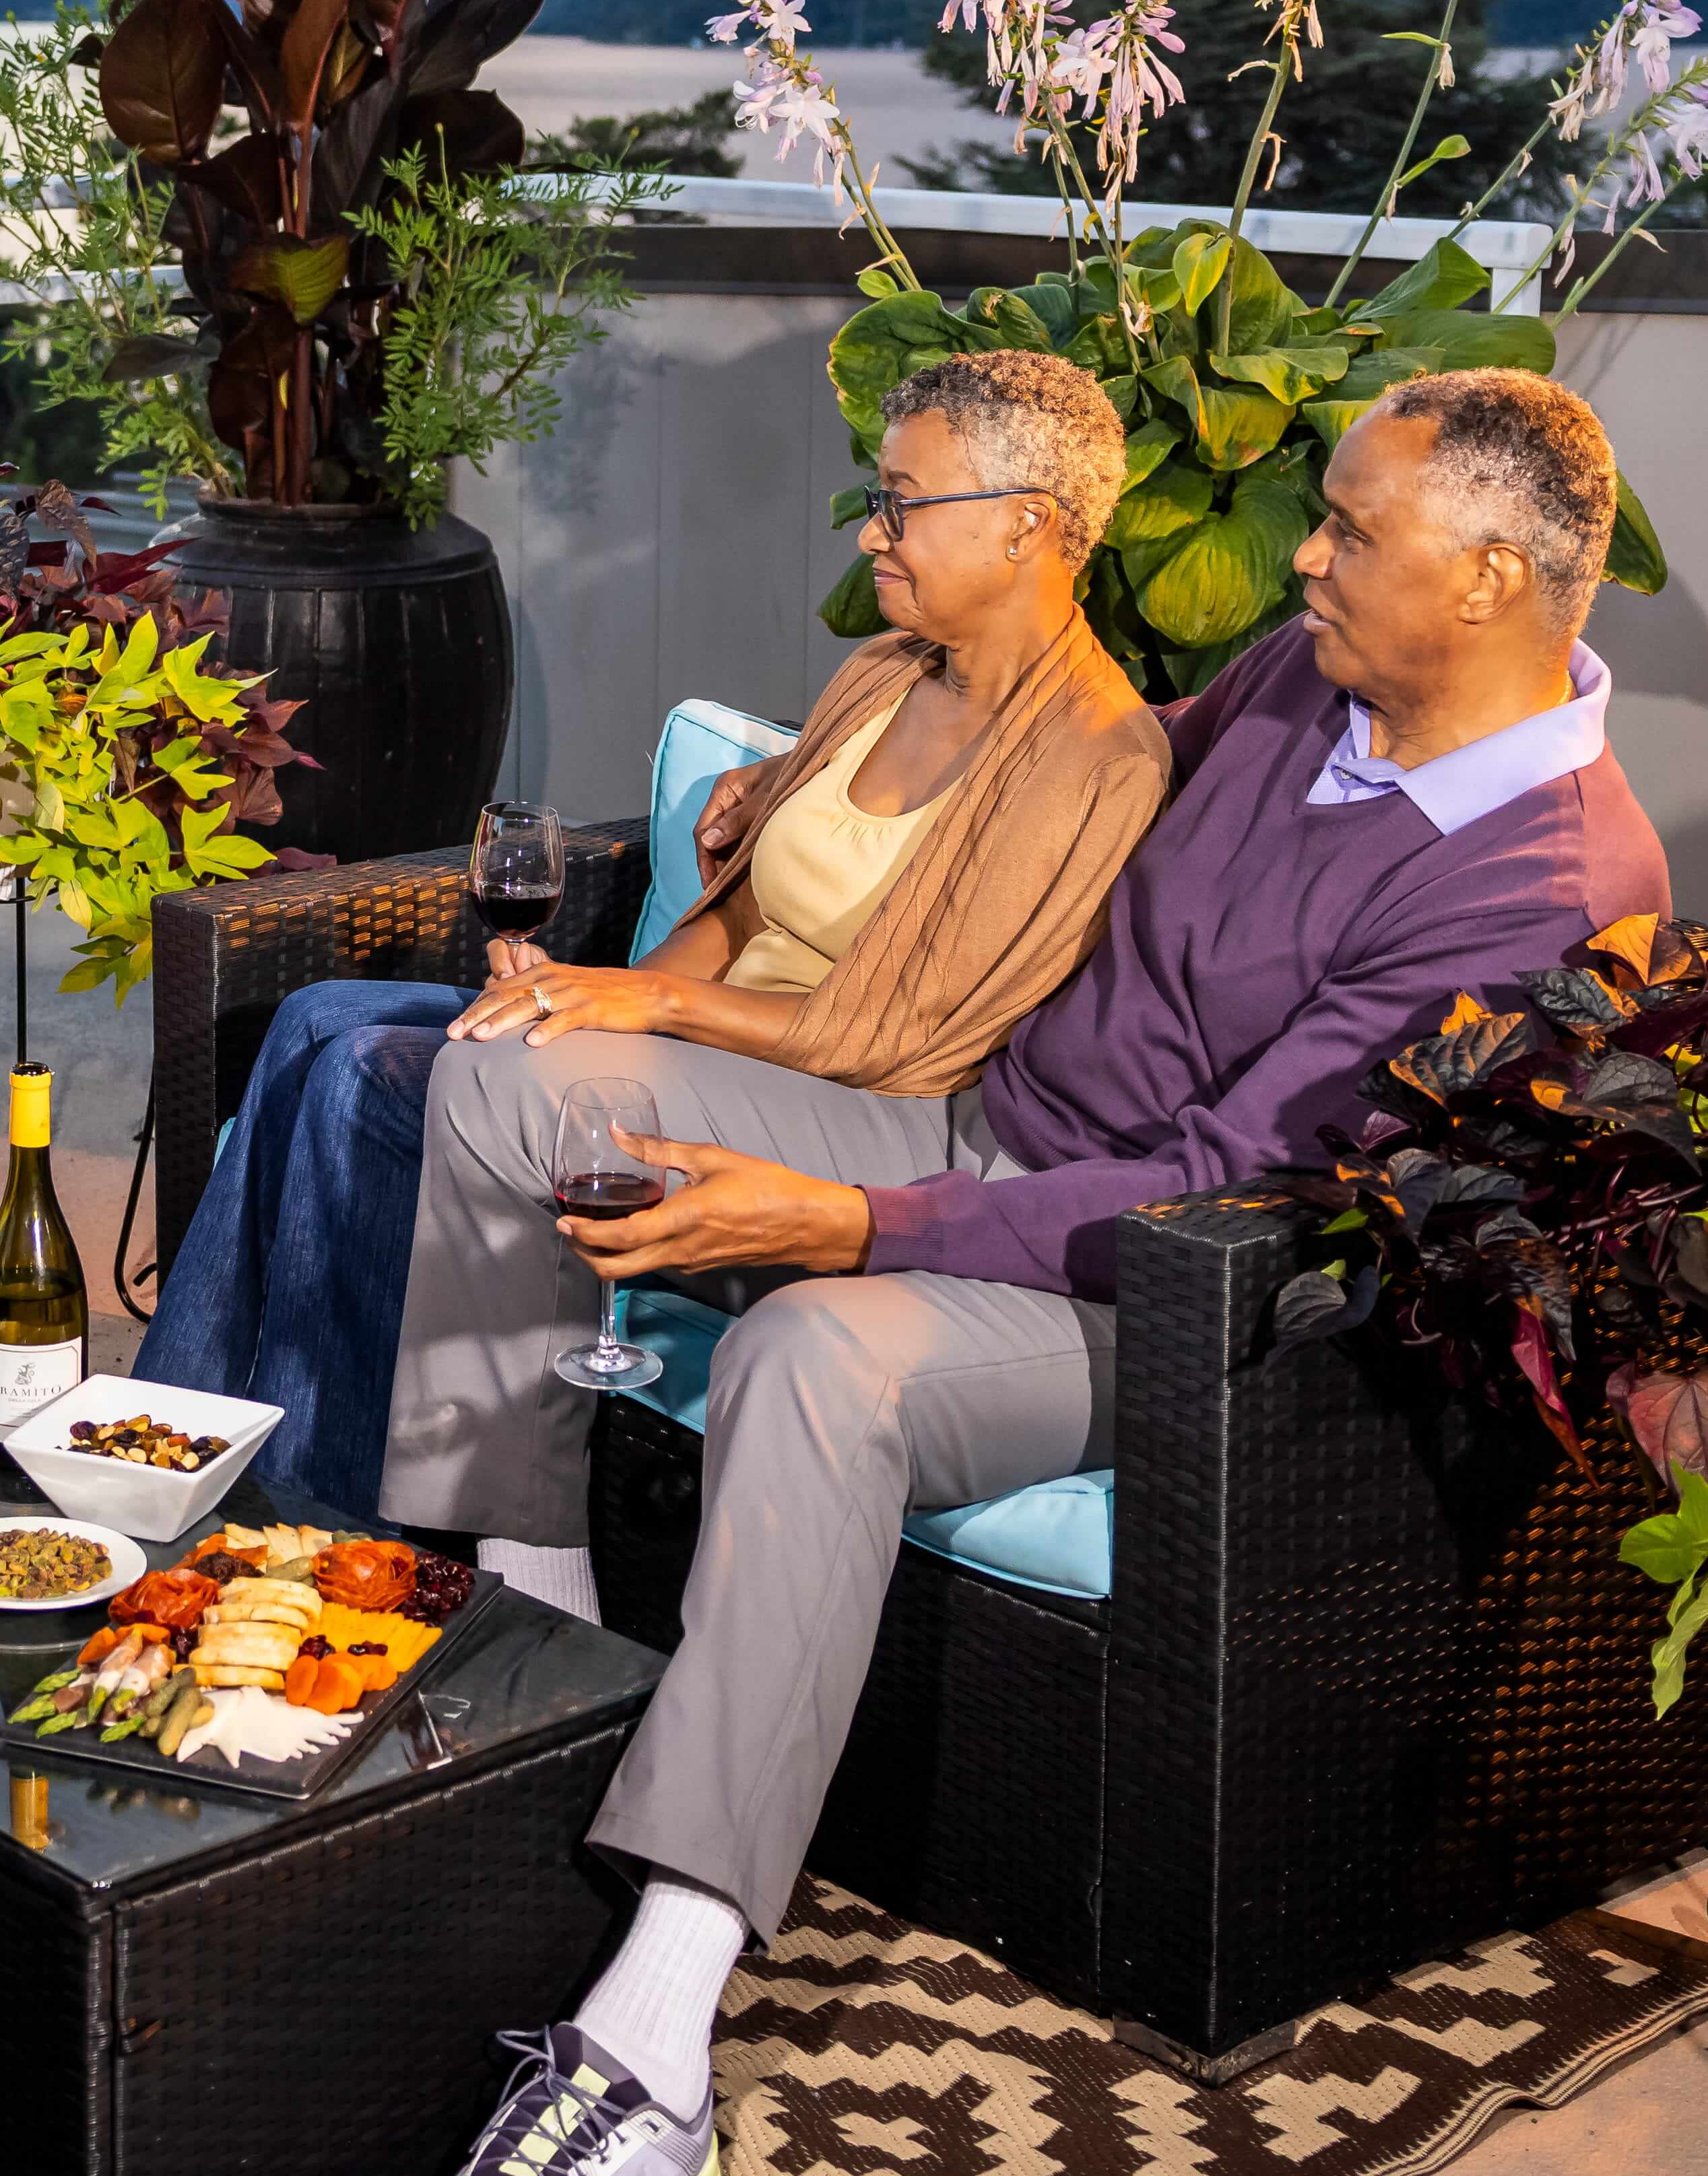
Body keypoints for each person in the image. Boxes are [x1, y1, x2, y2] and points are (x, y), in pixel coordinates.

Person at [342, 369, 1672, 2176]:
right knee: (515, 1078)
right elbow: (1071, 772)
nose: (1301, 552)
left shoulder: (1545, 887)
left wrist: (845, 1226)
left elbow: (1228, 1195)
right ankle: (522, 1629)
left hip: (1155, 1294)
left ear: (1491, 578)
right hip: (973, 1129)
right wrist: (789, 792)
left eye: (1350, 529)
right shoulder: (1318, 677)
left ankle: (648, 2062)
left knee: (818, 1356)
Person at [139, 353, 1170, 1503]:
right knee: (316, 1018)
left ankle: (315, 1512)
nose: (873, 536)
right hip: (703, 1051)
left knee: (378, 1077)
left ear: (1026, 524)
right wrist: (592, 994)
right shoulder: (884, 675)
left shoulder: (1093, 757)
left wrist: (651, 1010)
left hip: (840, 1109)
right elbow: (733, 911)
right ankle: (161, 1440)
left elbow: (912, 1036)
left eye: (901, 502)